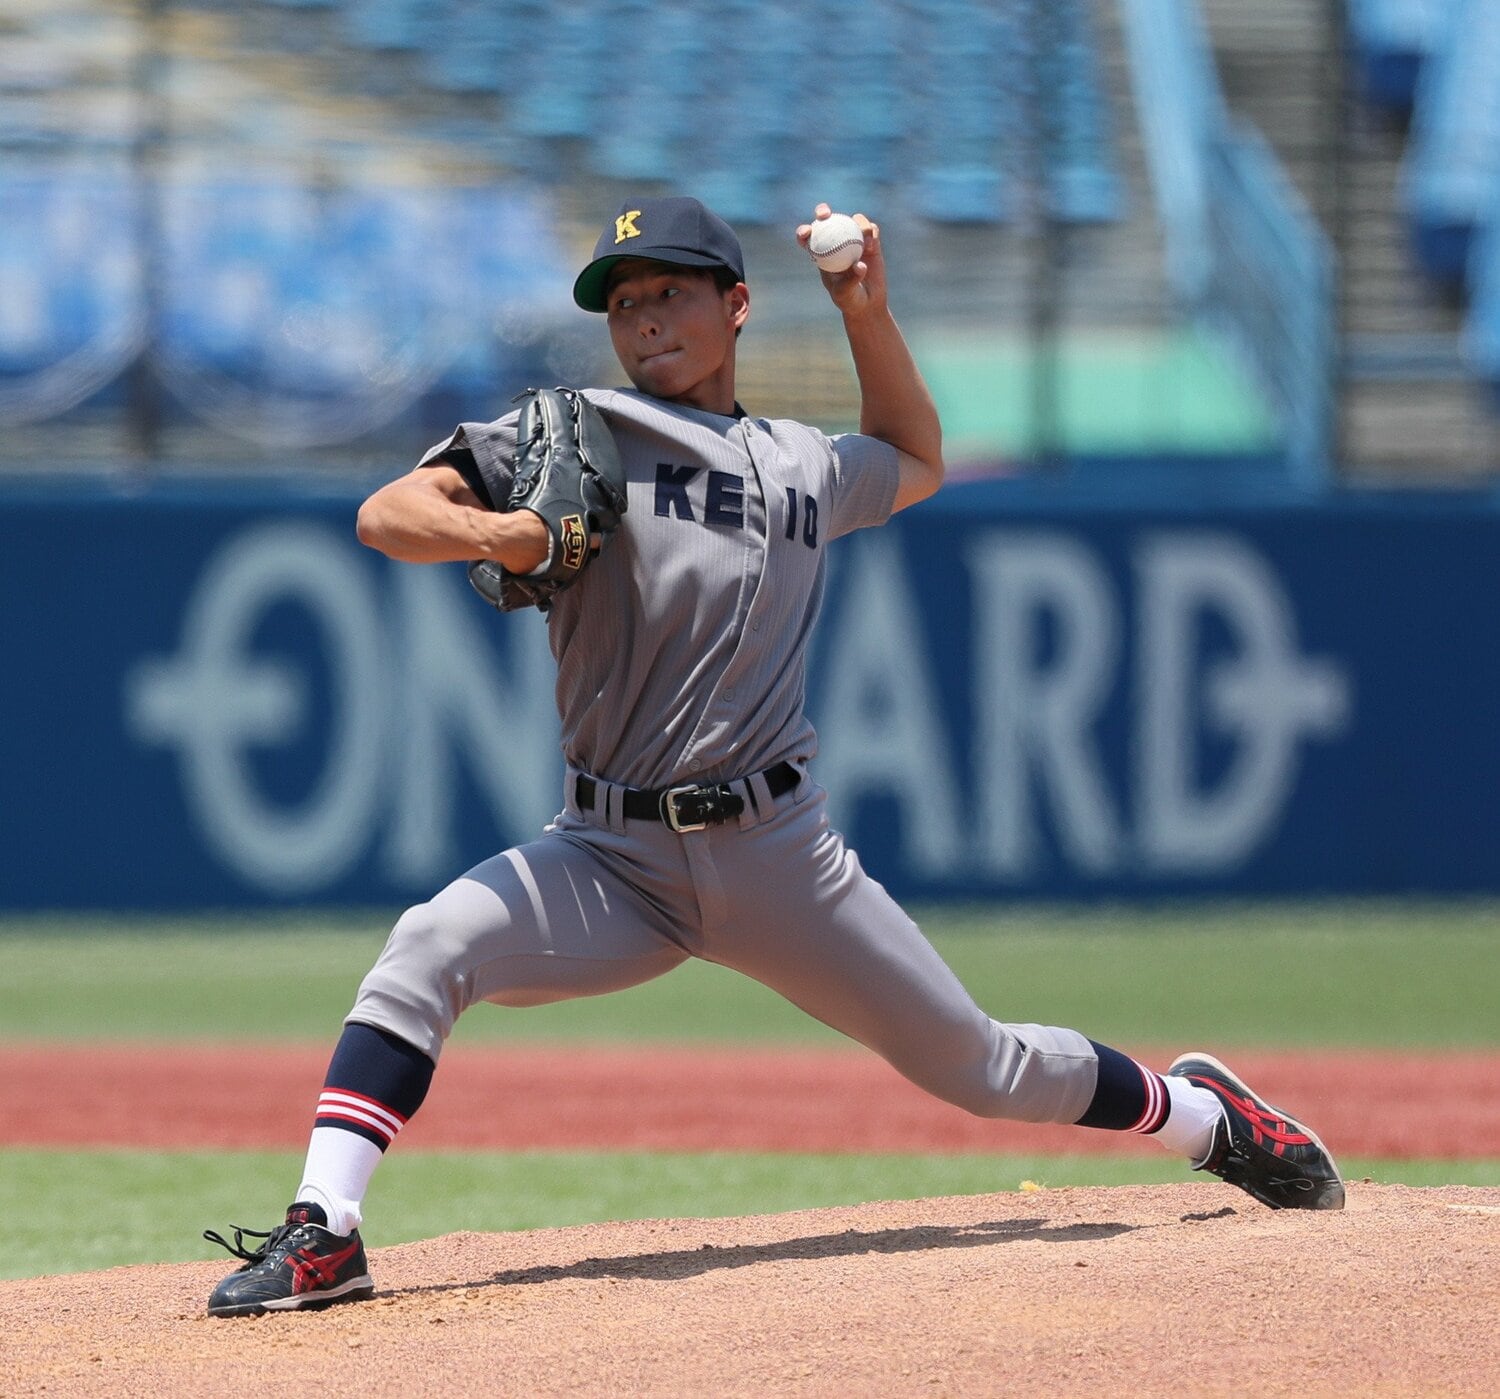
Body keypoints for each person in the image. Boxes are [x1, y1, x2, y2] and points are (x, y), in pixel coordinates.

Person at [203, 196, 1344, 1318]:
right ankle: (326, 1230)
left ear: (736, 304)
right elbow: (388, 511)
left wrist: (864, 312)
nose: (644, 317)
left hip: (778, 855)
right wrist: (499, 530)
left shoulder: (804, 462)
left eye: (670, 292)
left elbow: (915, 458)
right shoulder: (583, 427)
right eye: (625, 301)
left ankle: (1207, 1119)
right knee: (428, 944)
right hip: (609, 857)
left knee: (981, 1067)